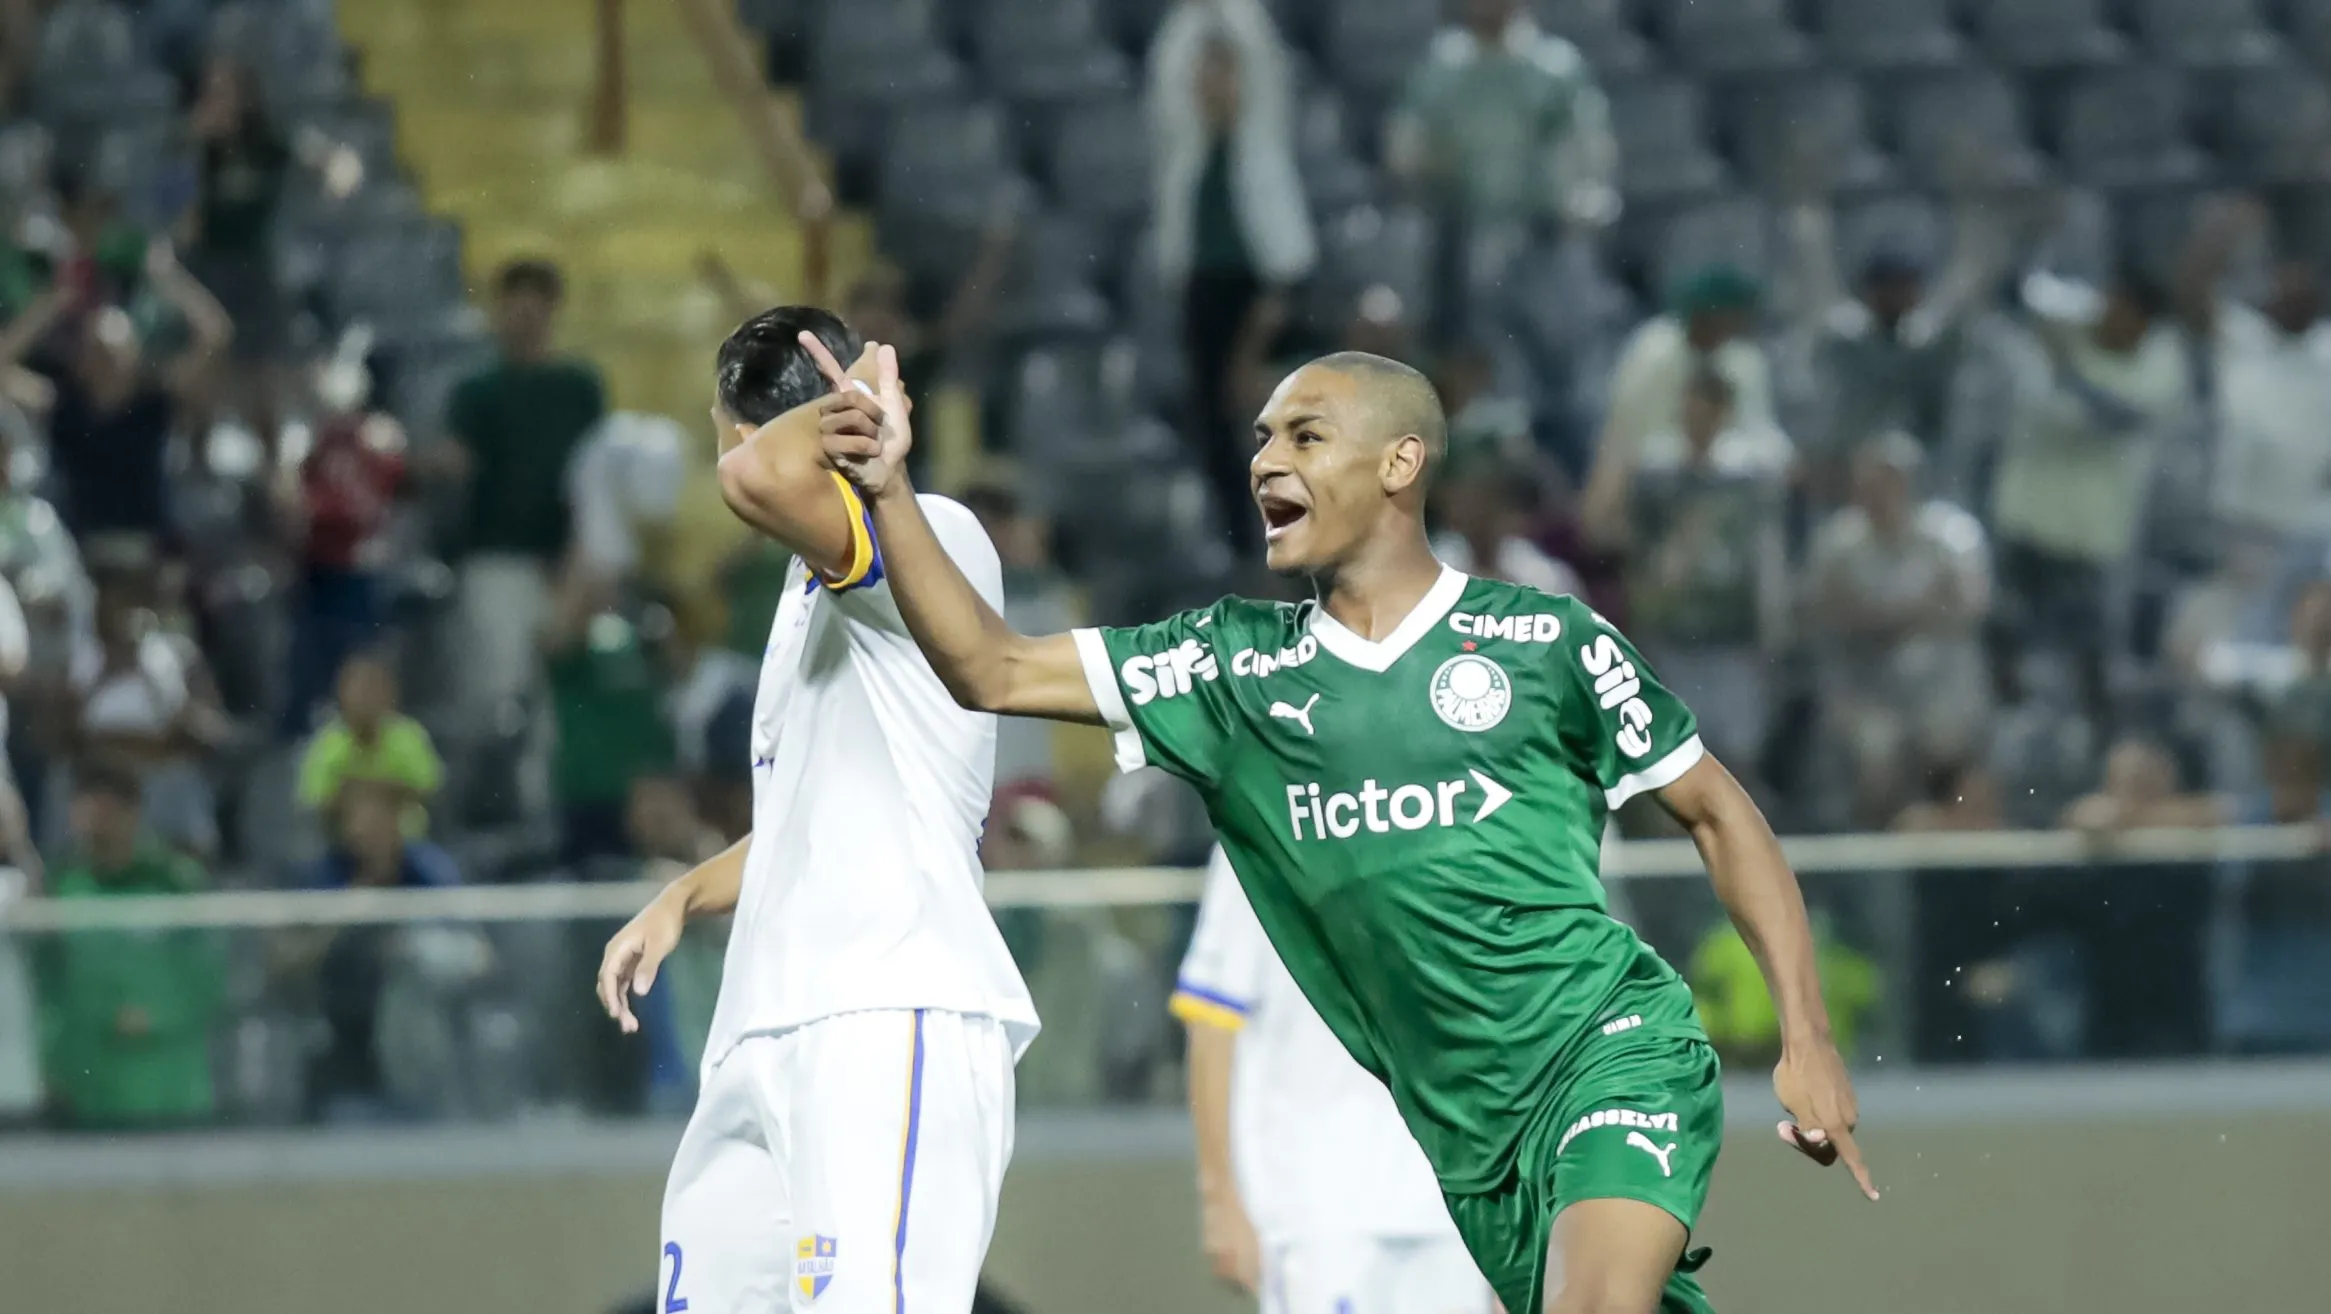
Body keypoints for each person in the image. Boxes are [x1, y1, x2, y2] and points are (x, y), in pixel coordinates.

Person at [812, 339, 1874, 1314]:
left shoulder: (1543, 641)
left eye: (1306, 435)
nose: (1267, 459)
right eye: (1264, 437)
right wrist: (891, 487)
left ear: (1401, 464)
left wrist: (1807, 1037)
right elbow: (988, 667)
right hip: (1467, 1140)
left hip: (1611, 1051)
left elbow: (1720, 814)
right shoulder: (1229, 669)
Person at [593, 307, 1038, 1314]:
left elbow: (753, 478)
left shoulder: (930, 534)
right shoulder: (809, 592)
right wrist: (682, 899)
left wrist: (825, 420)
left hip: (888, 1004)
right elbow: (808, 814)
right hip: (768, 1022)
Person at [1177, 846, 1493, 1314]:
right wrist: (1219, 1198)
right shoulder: (1260, 815)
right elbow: (1212, 1022)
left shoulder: (1461, 814)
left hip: (1454, 1204)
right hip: (1318, 1200)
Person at [1149, 2, 1314, 555]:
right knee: (1218, 438)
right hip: (1209, 310)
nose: (1214, 87)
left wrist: (1249, 355)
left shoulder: (1264, 171)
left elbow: (1284, 280)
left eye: (1225, 73)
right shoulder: (1188, 172)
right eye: (1205, 74)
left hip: (1257, 322)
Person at [433, 258, 607, 724]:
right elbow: (453, 465)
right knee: (503, 699)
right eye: (514, 308)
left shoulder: (579, 388)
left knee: (563, 703)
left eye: (534, 309)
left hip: (568, 564)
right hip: (498, 559)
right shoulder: (476, 392)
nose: (523, 320)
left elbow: (595, 479)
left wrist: (583, 565)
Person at [33, 761, 223, 1129]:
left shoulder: (177, 884)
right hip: (87, 1094)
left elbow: (212, 975)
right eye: (87, 812)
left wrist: (157, 1015)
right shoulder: (60, 890)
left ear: (133, 813)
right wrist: (51, 1064)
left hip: (169, 1089)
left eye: (108, 812)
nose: (96, 825)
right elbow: (48, 990)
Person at [295, 651, 443, 837]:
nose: (365, 699)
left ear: (390, 694)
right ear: (341, 695)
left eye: (373, 689)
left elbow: (429, 791)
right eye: (358, 690)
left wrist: (356, 790)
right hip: (341, 849)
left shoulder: (409, 737)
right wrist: (385, 791)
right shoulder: (326, 744)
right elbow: (316, 802)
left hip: (407, 848)